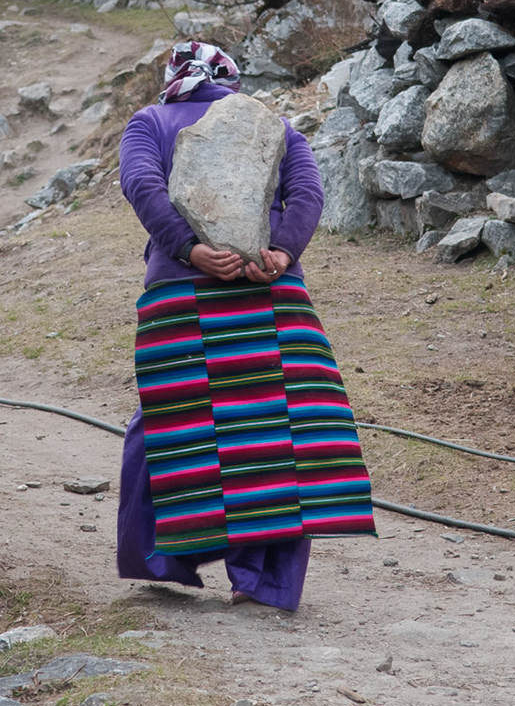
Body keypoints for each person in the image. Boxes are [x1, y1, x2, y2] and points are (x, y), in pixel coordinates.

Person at [115, 41, 376, 612]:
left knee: (176, 422)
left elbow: (142, 186)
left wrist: (189, 249)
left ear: (174, 77)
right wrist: (280, 253)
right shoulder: (272, 123)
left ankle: (167, 557)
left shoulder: (150, 121)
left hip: (181, 293)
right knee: (280, 430)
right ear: (231, 79)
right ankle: (262, 581)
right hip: (273, 296)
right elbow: (307, 191)